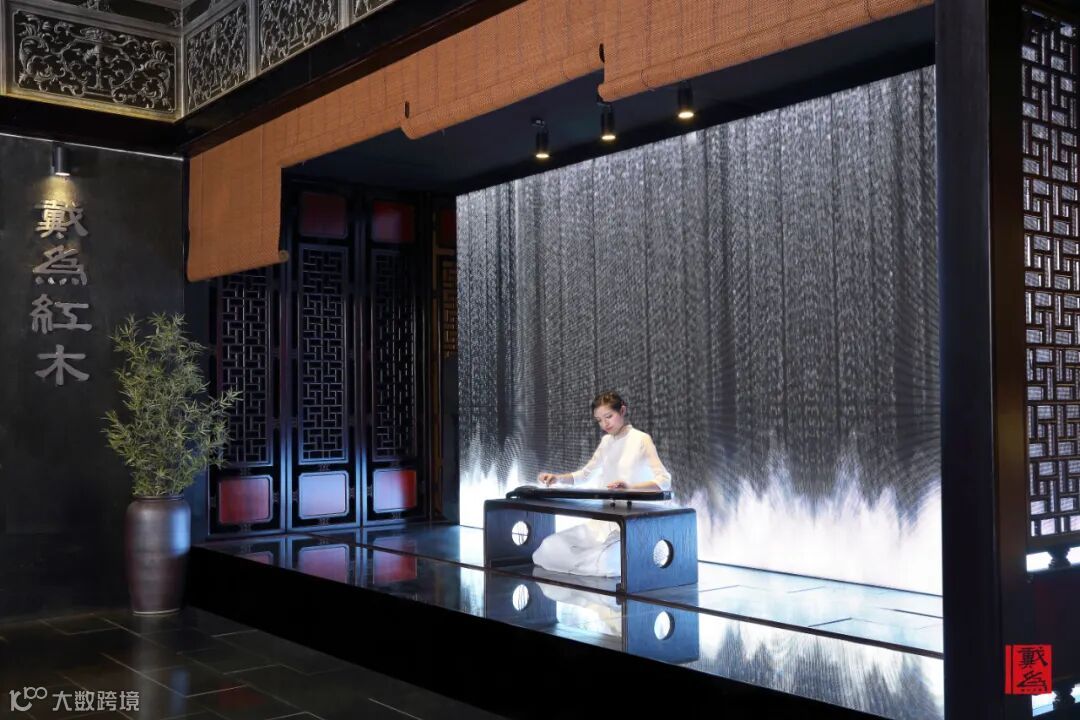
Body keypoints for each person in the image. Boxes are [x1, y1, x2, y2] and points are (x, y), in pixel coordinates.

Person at [532, 391, 672, 577]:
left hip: (632, 522)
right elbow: (585, 475)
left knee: (608, 561)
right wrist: (558, 478)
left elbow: (664, 480)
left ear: (622, 411)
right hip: (604, 522)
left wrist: (629, 488)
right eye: (599, 420)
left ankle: (605, 558)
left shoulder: (641, 439)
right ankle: (597, 559)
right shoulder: (606, 441)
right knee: (548, 547)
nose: (605, 424)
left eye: (609, 416)